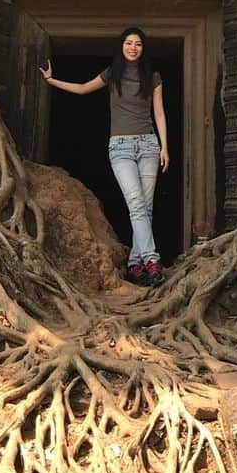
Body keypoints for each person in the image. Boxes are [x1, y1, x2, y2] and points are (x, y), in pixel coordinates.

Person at [41, 27, 169, 286]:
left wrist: (164, 147)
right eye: (129, 43)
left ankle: (135, 266)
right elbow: (82, 88)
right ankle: (152, 261)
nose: (133, 47)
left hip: (148, 146)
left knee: (145, 207)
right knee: (136, 203)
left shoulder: (153, 77)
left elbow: (159, 113)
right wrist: (52, 81)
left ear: (143, 49)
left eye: (138, 44)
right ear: (122, 47)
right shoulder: (113, 74)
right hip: (120, 147)